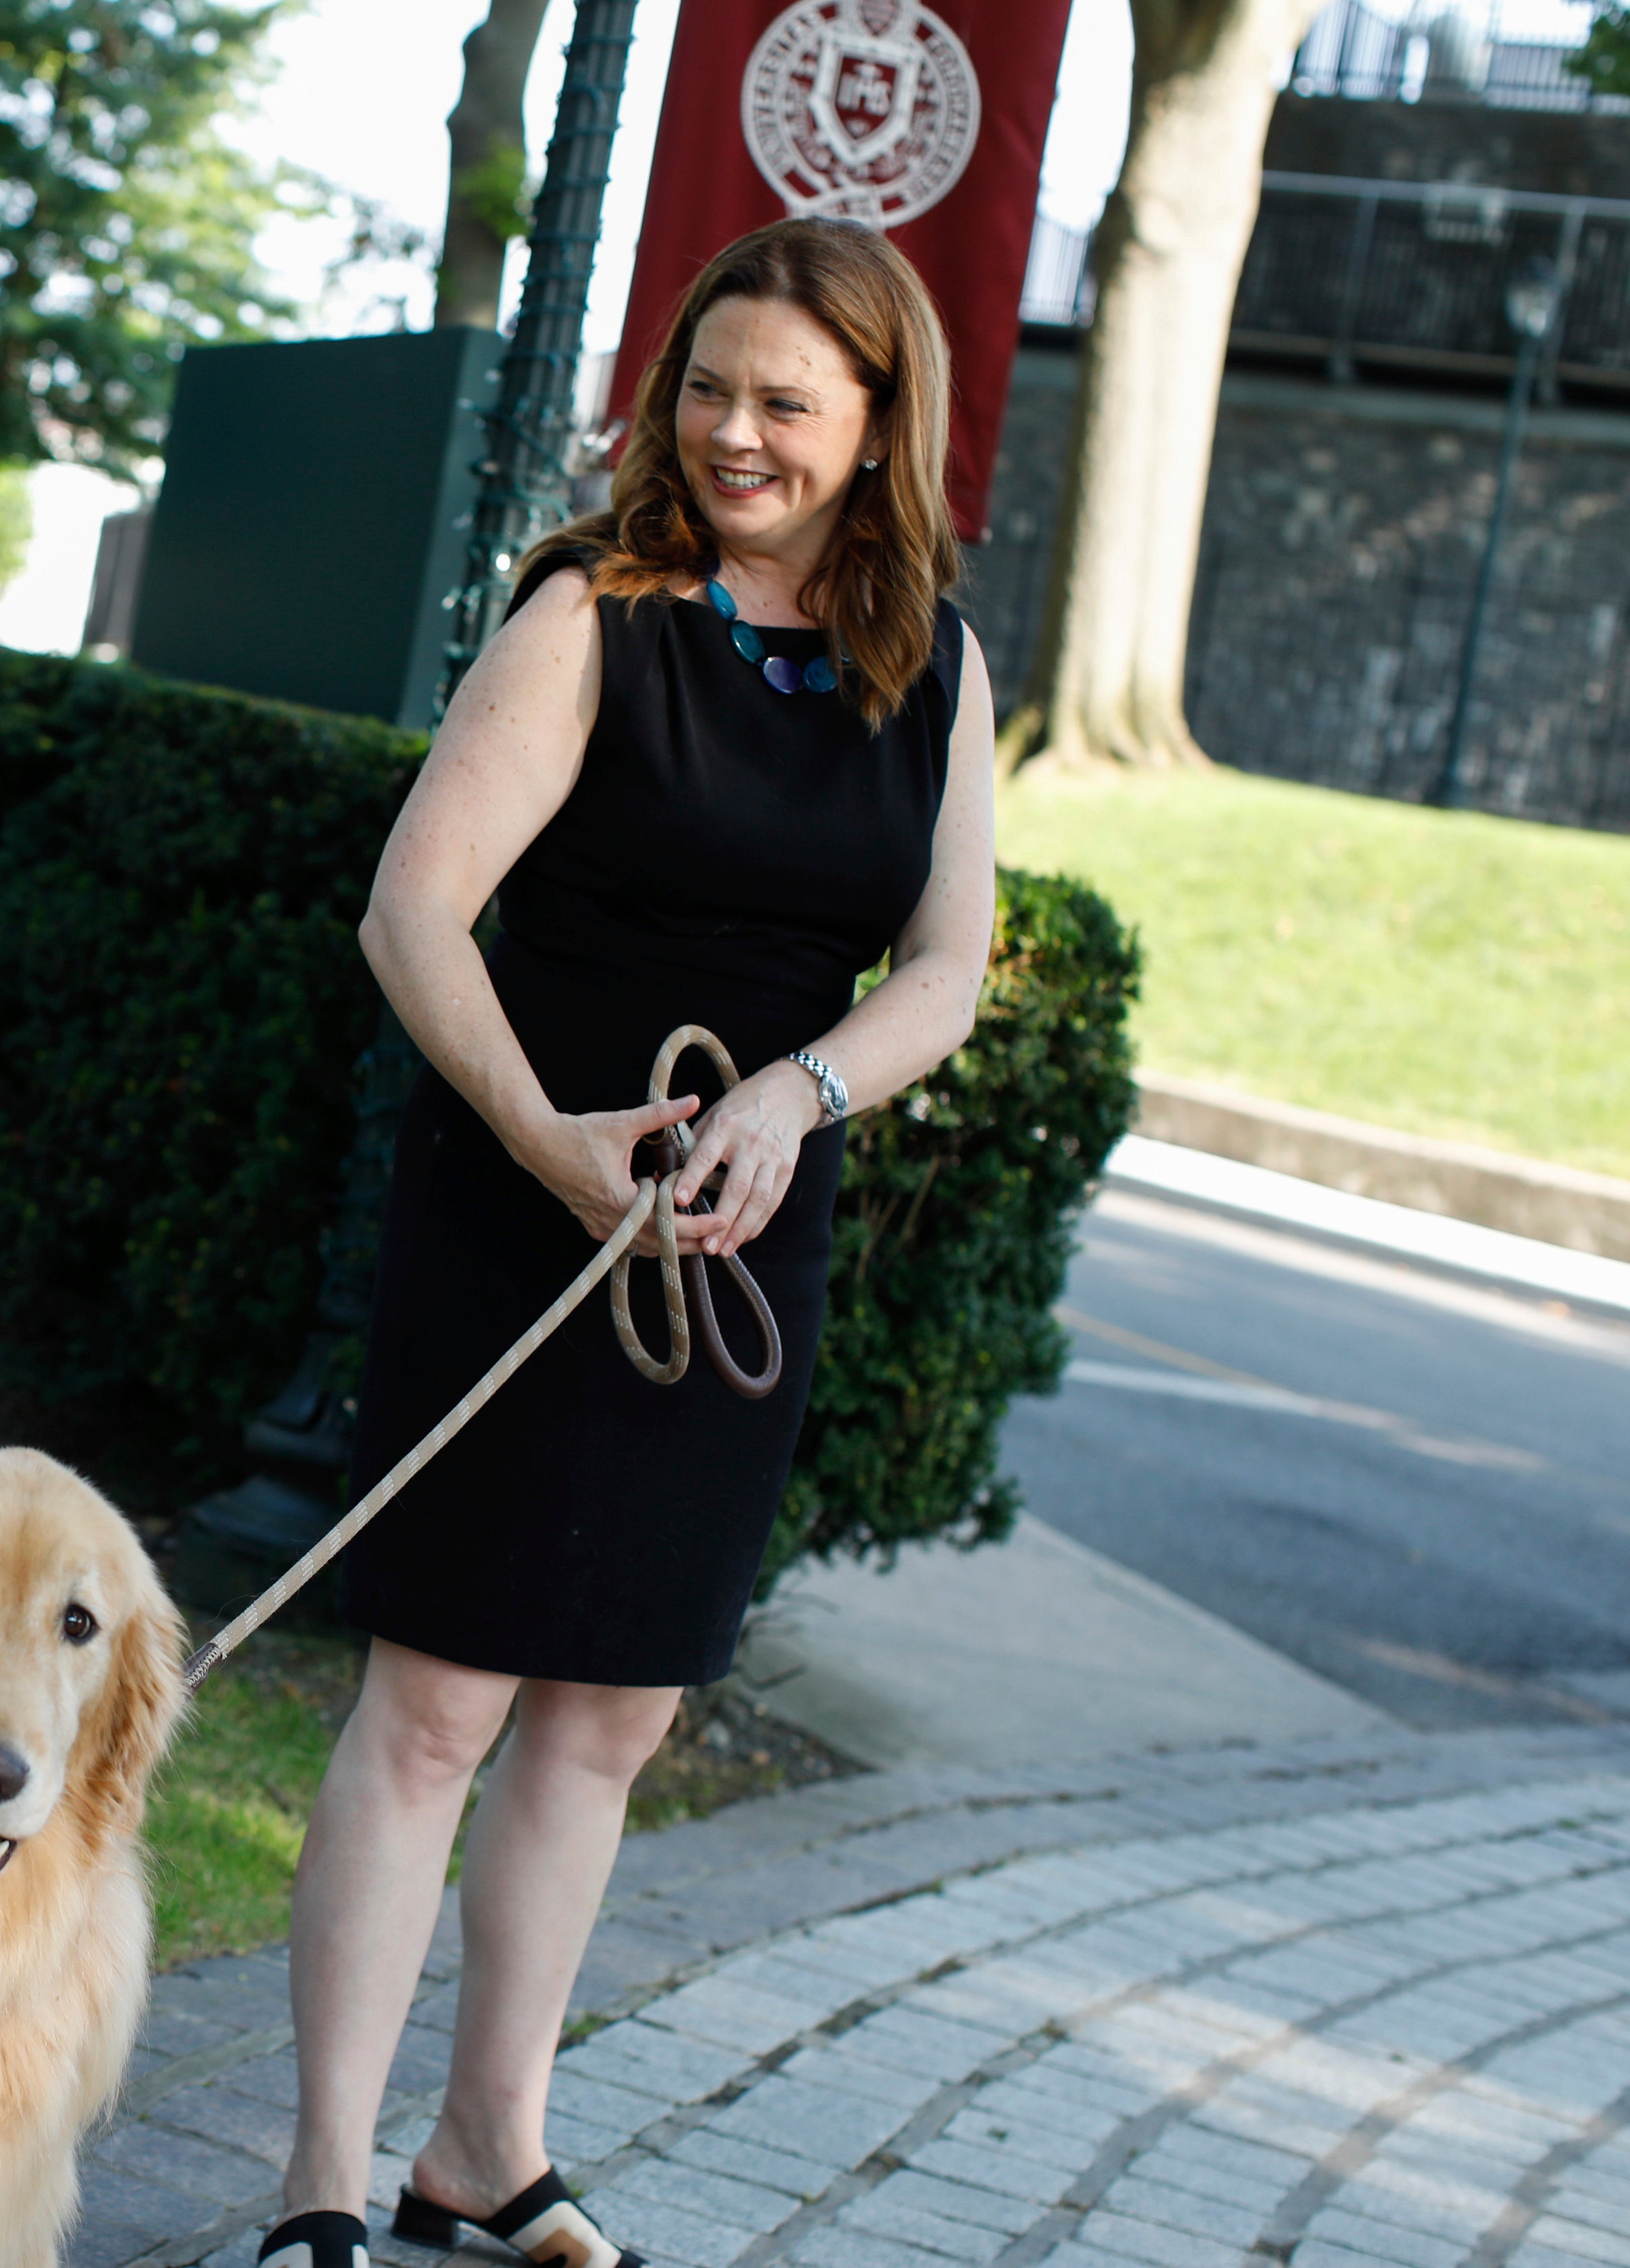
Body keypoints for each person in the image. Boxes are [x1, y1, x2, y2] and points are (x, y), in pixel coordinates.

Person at [258, 218, 999, 2268]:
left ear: (876, 426)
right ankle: (324, 2174)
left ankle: (487, 2147)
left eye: (786, 402)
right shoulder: (599, 610)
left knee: (611, 1715)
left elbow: (942, 971)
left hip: (749, 1228)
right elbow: (415, 913)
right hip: (541, 1195)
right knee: (439, 1704)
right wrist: (547, 1143)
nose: (734, 433)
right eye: (709, 389)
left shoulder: (929, 653)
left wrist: (796, 1097)